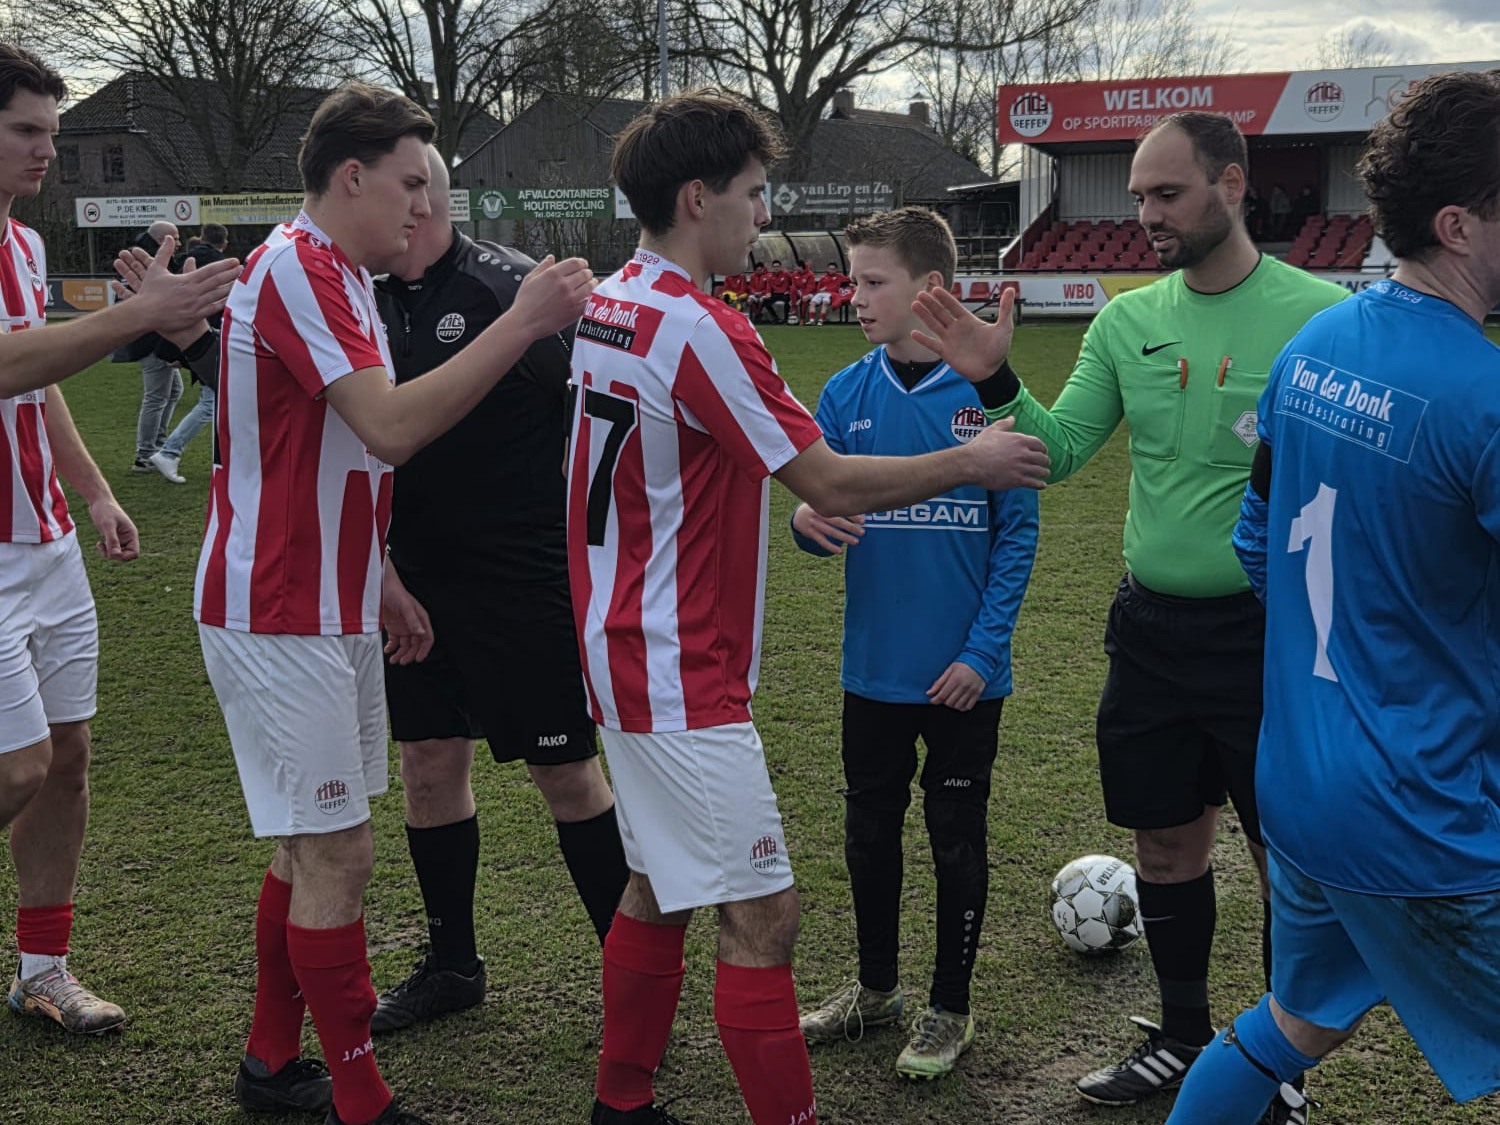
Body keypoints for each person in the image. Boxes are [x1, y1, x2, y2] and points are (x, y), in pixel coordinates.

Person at [572, 88, 1049, 1125]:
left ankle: (622, 1101)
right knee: (763, 917)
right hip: (679, 664)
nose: (761, 212)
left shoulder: (610, 304)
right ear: (699, 199)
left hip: (618, 648)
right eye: (753, 194)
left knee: (658, 884)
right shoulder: (699, 328)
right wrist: (968, 457)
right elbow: (828, 483)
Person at [153, 82, 591, 1125]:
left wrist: (382, 579)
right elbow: (391, 427)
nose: (421, 205)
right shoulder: (301, 267)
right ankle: (357, 1097)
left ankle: (272, 1066)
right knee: (338, 849)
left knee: (308, 844)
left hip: (331, 597)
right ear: (350, 177)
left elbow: (344, 452)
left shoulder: (340, 272)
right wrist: (523, 319)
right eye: (407, 183)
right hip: (275, 603)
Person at [908, 111, 1347, 1123]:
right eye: (1139, 195)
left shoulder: (1320, 321)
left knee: (1286, 863)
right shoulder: (1125, 320)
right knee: (1163, 847)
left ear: (1232, 185)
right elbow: (1057, 453)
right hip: (1150, 635)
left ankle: (1278, 1069)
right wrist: (993, 374)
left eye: (1167, 193)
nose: (1145, 213)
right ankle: (1185, 1037)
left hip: (1273, 639)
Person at [1167, 67, 1500, 1125]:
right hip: (1429, 813)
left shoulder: (1313, 349)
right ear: (1459, 224)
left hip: (1306, 788)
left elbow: (1257, 542)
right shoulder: (1481, 397)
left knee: (1295, 1022)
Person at [365, 145, 629, 1032]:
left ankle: (632, 976)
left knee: (566, 770)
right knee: (429, 763)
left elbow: (598, 412)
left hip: (522, 578)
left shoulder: (509, 289)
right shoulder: (360, 294)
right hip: (411, 580)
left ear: (427, 200)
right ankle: (452, 963)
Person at [790, 206, 1039, 1080]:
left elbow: (1018, 535)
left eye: (871, 281)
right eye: (852, 278)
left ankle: (948, 1007)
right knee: (868, 834)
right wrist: (803, 520)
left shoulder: (987, 393)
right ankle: (876, 988)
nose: (852, 295)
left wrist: (982, 652)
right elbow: (812, 503)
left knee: (955, 836)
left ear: (928, 289)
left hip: (964, 675)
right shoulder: (845, 393)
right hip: (873, 670)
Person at [0, 42, 146, 1039]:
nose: (47, 150)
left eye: (53, 133)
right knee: (14, 768)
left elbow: (37, 384)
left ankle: (42, 970)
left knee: (69, 758)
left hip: (44, 543)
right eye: (25, 131)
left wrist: (92, 493)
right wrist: (135, 317)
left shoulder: (24, 245)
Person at [147, 223, 229, 484]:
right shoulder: (225, 267)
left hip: (193, 344)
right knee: (209, 404)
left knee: (214, 405)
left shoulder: (182, 262)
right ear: (224, 243)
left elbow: (173, 310)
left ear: (201, 239)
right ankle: (169, 451)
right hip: (212, 344)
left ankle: (218, 460)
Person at [126, 219, 185, 473]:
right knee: (156, 396)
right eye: (177, 238)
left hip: (154, 338)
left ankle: (155, 447)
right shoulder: (151, 264)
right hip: (153, 340)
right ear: (163, 241)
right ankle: (146, 454)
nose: (180, 243)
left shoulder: (148, 260)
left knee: (172, 392)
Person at [806, 261, 850, 326]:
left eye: (833, 269)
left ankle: (820, 321)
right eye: (830, 269)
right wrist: (821, 289)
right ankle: (812, 321)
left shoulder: (840, 277)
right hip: (821, 293)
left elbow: (849, 280)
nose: (831, 271)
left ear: (836, 270)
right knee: (812, 303)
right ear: (827, 269)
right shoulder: (823, 278)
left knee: (825, 302)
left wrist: (853, 285)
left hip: (831, 294)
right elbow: (818, 288)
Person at [765, 258, 791, 322]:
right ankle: (776, 318)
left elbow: (793, 283)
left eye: (777, 266)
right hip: (775, 294)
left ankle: (786, 318)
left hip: (784, 293)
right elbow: (768, 287)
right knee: (766, 302)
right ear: (772, 267)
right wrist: (768, 293)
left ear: (780, 267)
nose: (776, 268)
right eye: (774, 267)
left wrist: (789, 291)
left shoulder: (786, 274)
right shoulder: (770, 276)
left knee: (787, 302)